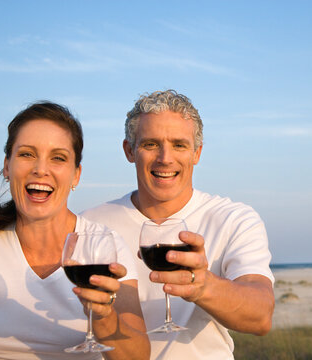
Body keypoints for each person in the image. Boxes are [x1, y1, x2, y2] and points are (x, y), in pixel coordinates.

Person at [0, 102, 150, 359]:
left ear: (76, 175)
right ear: (7, 166)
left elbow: (138, 357)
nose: (41, 169)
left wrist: (103, 317)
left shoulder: (105, 247)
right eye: (27, 154)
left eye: (58, 158)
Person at [82, 90, 275, 359]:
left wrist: (204, 286)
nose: (165, 158)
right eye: (150, 144)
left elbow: (260, 317)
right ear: (129, 150)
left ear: (197, 153)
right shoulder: (91, 224)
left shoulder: (234, 219)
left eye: (179, 145)